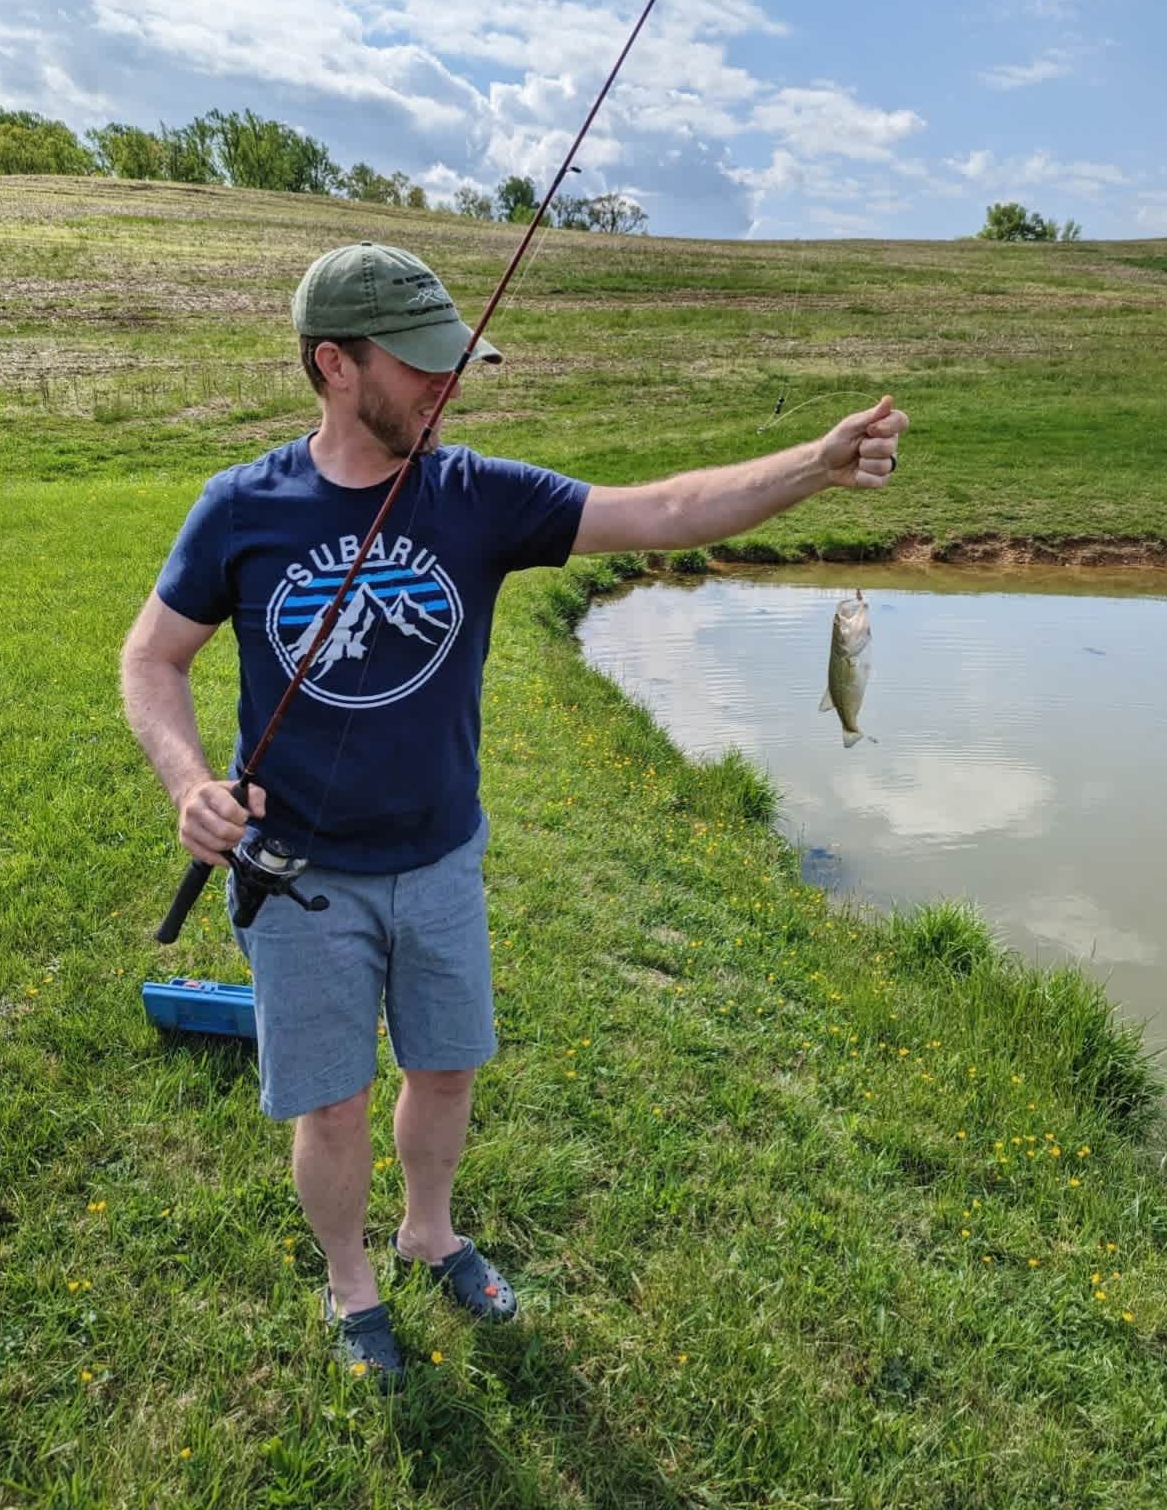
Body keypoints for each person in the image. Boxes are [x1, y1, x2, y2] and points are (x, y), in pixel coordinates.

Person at [120, 240, 907, 1392]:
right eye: (420, 365)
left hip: (440, 862)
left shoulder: (472, 496)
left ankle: (427, 1232)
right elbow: (152, 658)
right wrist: (190, 782)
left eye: (454, 363)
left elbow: (666, 510)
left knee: (444, 1071)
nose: (448, 386)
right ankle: (352, 1283)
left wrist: (817, 464)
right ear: (333, 364)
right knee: (331, 1108)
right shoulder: (241, 508)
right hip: (299, 877)